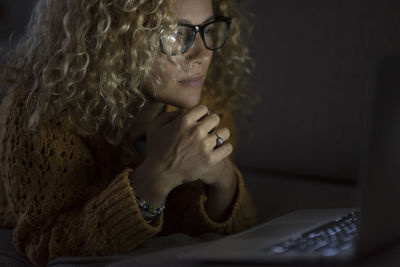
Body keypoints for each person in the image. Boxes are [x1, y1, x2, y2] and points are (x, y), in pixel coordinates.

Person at [0, 0, 258, 266]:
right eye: (174, 33)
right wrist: (159, 176)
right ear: (113, 38)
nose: (201, 54)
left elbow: (233, 226)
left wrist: (224, 179)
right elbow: (47, 244)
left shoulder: (206, 103)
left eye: (208, 28)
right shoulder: (40, 113)